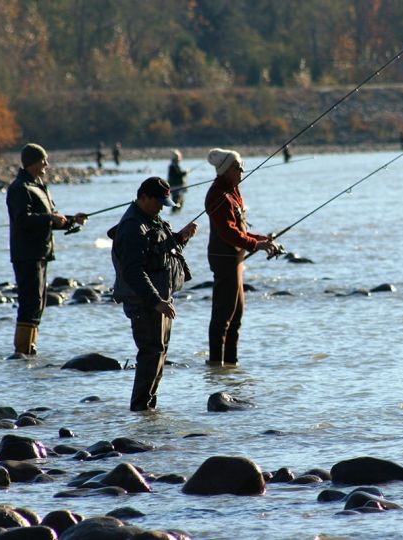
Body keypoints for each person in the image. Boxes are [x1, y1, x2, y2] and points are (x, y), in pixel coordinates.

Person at [109, 177, 198, 411]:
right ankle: (140, 408)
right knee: (151, 353)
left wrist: (181, 238)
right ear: (143, 197)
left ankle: (149, 411)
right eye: (158, 201)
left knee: (159, 352)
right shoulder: (132, 227)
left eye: (163, 202)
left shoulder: (151, 219)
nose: (161, 206)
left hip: (160, 299)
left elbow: (158, 252)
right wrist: (156, 301)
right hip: (145, 302)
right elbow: (133, 271)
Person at [6, 143, 87, 356]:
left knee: (38, 302)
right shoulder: (19, 188)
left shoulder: (39, 186)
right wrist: (51, 218)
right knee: (30, 301)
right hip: (26, 255)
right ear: (33, 162)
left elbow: (51, 219)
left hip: (40, 253)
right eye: (44, 160)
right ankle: (21, 350)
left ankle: (30, 350)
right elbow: (23, 220)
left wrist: (71, 221)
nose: (47, 164)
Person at [205, 148, 279, 366]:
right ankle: (216, 365)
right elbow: (228, 232)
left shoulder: (232, 191)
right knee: (223, 316)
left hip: (234, 259)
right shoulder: (218, 195)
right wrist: (257, 244)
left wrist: (261, 239)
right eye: (238, 167)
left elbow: (239, 230)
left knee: (235, 316)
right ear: (226, 170)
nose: (242, 171)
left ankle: (230, 366)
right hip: (224, 259)